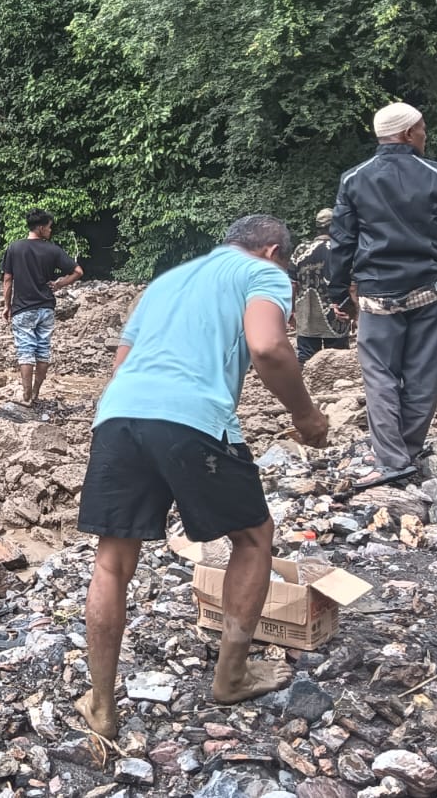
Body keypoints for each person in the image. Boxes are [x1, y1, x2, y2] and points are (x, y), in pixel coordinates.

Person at [74, 216, 330, 744]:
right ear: (275, 249)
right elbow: (268, 348)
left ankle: (101, 703)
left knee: (111, 560)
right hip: (192, 417)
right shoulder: (264, 272)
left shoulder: (167, 280)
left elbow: (122, 363)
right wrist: (306, 417)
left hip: (119, 415)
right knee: (254, 537)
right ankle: (231, 677)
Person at [325, 103, 437, 489]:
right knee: (424, 373)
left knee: (379, 374)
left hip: (378, 294)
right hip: (431, 288)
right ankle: (408, 450)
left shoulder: (354, 179)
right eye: (422, 129)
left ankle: (390, 459)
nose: (425, 135)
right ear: (408, 133)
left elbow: (342, 242)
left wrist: (338, 293)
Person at [1, 209, 84, 405]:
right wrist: (60, 284)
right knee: (43, 350)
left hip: (23, 308)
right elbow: (78, 271)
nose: (50, 230)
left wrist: (7, 305)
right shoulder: (52, 250)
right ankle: (36, 393)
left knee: (25, 351)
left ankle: (27, 396)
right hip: (46, 307)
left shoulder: (15, 248)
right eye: (49, 227)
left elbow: (7, 279)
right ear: (40, 228)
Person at [291, 209, 352, 364]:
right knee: (338, 363)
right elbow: (352, 283)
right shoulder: (341, 250)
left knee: (305, 362)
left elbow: (292, 284)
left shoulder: (301, 249)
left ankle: (305, 389)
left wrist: (291, 311)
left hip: (307, 318)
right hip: (337, 316)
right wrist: (354, 311)